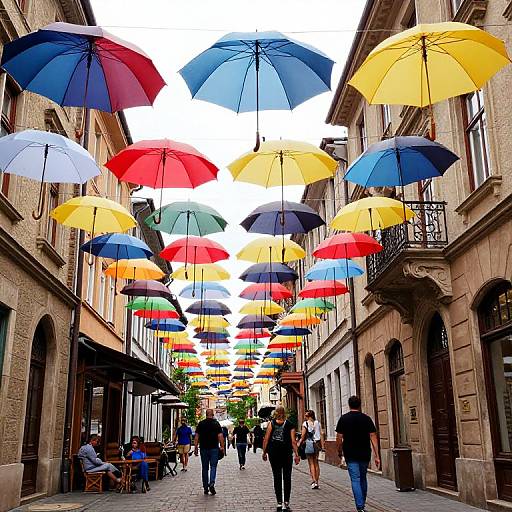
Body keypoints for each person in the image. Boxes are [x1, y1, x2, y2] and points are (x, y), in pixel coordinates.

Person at [336, 396, 380, 512]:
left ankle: (360, 506)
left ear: (349, 405)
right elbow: (373, 436)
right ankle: (362, 502)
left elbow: (339, 438)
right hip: (364, 452)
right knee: (363, 478)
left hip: (350, 454)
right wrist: (377, 455)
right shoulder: (366, 419)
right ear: (359, 405)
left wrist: (339, 451)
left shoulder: (343, 419)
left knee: (355, 479)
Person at [262, 406, 300, 512]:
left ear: (276, 413)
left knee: (277, 477)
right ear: (285, 413)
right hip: (286, 453)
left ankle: (279, 502)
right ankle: (286, 502)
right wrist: (297, 454)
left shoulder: (271, 423)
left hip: (274, 453)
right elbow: (293, 441)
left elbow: (266, 438)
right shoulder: (290, 424)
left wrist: (264, 452)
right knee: (287, 477)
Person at [194, 409, 225, 495]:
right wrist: (222, 447)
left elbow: (196, 436)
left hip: (203, 448)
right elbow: (220, 436)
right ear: (213, 414)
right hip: (214, 448)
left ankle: (205, 487)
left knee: (204, 468)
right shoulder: (216, 424)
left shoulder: (201, 424)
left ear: (206, 414)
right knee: (213, 466)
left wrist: (196, 447)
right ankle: (211, 483)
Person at [298, 409, 325, 489]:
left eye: (306, 416)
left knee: (311, 463)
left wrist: (299, 443)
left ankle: (314, 481)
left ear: (309, 416)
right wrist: (323, 446)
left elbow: (303, 436)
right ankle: (317, 481)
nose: (305, 417)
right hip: (317, 444)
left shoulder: (305, 424)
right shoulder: (317, 423)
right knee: (316, 463)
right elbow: (321, 434)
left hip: (309, 443)